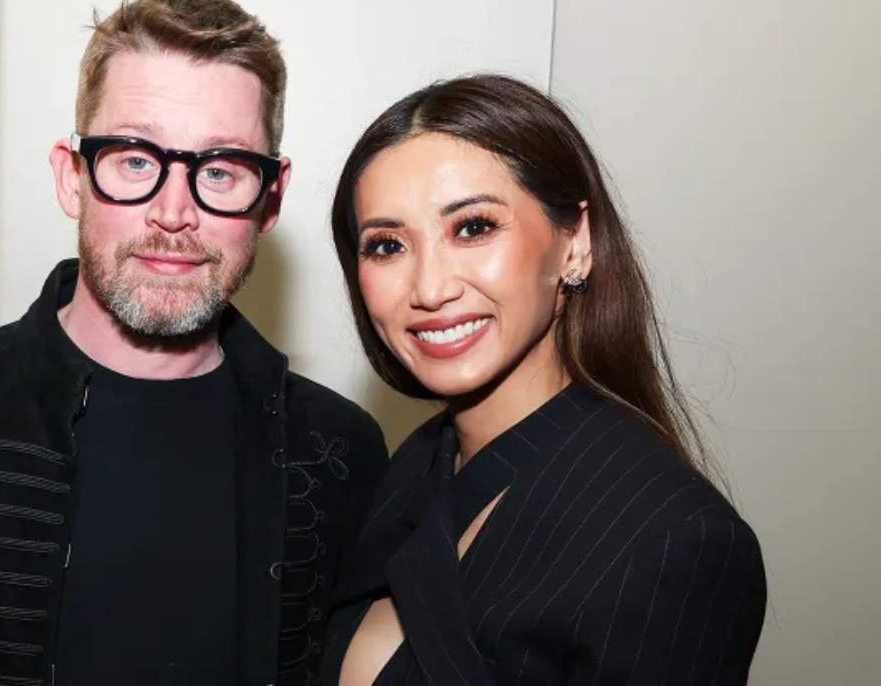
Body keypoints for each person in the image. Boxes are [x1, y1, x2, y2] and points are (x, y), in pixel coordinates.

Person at [0, 2, 387, 684]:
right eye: (134, 160)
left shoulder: (340, 453)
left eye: (221, 170)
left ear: (270, 198)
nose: (174, 213)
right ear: (71, 176)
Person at [320, 75, 766, 685]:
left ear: (574, 243)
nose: (429, 288)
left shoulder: (674, 540)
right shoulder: (415, 467)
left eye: (473, 227)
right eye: (387, 245)